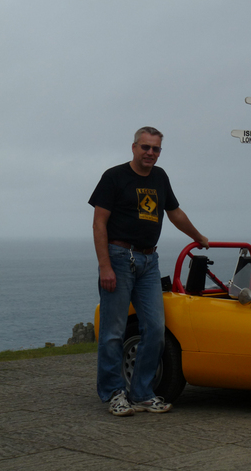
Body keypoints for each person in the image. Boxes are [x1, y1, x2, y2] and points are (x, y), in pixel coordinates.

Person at [89, 126, 209, 416]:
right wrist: (105, 265)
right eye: (145, 147)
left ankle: (142, 392)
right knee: (113, 332)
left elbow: (174, 212)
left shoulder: (160, 177)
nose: (150, 153)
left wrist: (198, 237)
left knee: (155, 329)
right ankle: (114, 392)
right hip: (119, 258)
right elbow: (99, 223)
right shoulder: (114, 177)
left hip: (148, 261)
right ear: (133, 147)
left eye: (155, 149)